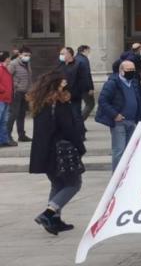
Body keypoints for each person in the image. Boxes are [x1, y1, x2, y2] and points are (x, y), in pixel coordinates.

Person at [27, 71, 86, 236]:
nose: (65, 84)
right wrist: (80, 147)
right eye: (62, 82)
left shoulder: (40, 102)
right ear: (55, 84)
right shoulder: (58, 103)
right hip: (60, 151)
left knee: (57, 184)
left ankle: (54, 220)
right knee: (74, 184)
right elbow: (68, 129)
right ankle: (48, 214)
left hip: (44, 150)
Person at [96, 59, 141, 170]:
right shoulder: (112, 83)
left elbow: (139, 99)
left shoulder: (134, 82)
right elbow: (102, 100)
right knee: (119, 150)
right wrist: (115, 115)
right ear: (121, 71)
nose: (131, 72)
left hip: (132, 120)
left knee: (129, 150)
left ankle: (126, 174)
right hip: (119, 122)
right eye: (129, 69)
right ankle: (117, 175)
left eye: (133, 69)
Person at [8, 46, 33, 143]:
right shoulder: (13, 64)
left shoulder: (27, 63)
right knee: (13, 114)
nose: (27, 57)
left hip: (25, 92)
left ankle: (21, 135)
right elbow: (8, 77)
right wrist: (15, 87)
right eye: (25, 55)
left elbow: (29, 78)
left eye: (29, 55)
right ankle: (7, 135)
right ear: (19, 54)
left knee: (22, 114)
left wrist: (29, 90)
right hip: (16, 92)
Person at [74, 46, 96, 121]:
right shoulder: (84, 60)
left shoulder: (75, 58)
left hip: (76, 86)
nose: (89, 53)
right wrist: (90, 88)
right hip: (84, 87)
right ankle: (79, 121)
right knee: (90, 104)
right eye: (88, 51)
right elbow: (87, 75)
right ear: (84, 50)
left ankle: (77, 121)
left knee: (77, 105)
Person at [0, 51, 14, 146]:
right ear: (7, 58)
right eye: (9, 57)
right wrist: (3, 90)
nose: (10, 59)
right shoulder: (1, 69)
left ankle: (3, 140)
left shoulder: (6, 69)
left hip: (6, 98)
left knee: (4, 121)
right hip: (1, 98)